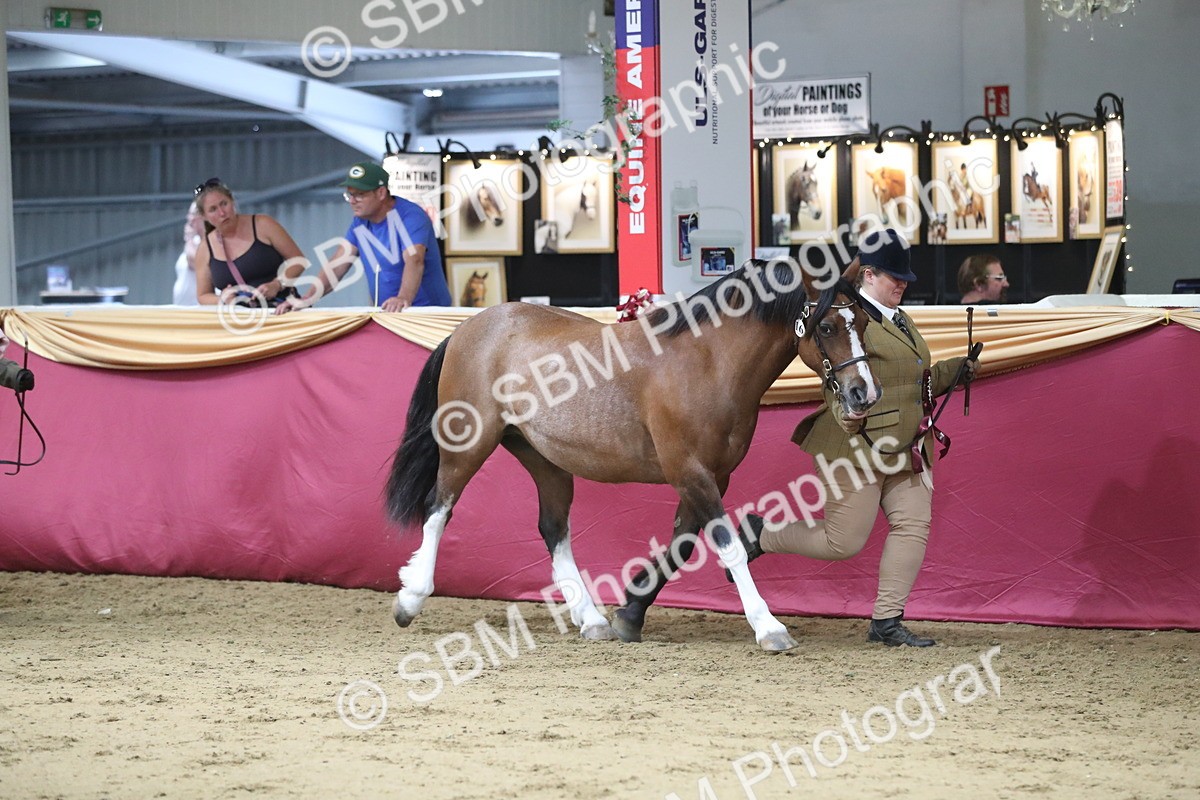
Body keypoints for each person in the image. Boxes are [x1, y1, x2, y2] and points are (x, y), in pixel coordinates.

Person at [732, 229, 978, 647]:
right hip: (856, 447)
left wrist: (955, 370)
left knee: (913, 526)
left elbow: (913, 381)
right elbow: (833, 381)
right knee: (842, 541)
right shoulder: (846, 316)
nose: (901, 284)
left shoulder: (900, 318)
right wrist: (845, 414)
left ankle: (887, 621)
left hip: (908, 447)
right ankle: (760, 535)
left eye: (904, 278)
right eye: (891, 276)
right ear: (867, 274)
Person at [282, 162, 450, 311]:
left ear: (381, 193)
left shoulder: (411, 216)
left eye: (359, 195)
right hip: (388, 313)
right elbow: (337, 265)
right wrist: (306, 299)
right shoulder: (360, 223)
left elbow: (415, 260)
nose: (352, 201)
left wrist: (403, 298)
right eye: (349, 194)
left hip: (425, 313)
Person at [192, 178, 305, 308]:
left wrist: (277, 284)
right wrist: (222, 299)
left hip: (281, 310)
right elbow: (203, 295)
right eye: (213, 209)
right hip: (240, 322)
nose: (222, 213)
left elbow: (298, 260)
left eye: (224, 203)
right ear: (204, 216)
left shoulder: (263, 224)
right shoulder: (205, 248)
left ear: (232, 201)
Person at [171, 202, 204, 305]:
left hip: (198, 311)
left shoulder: (212, 241)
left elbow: (194, 262)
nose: (190, 218)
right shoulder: (195, 241)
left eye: (193, 214)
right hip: (182, 310)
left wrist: (189, 239)